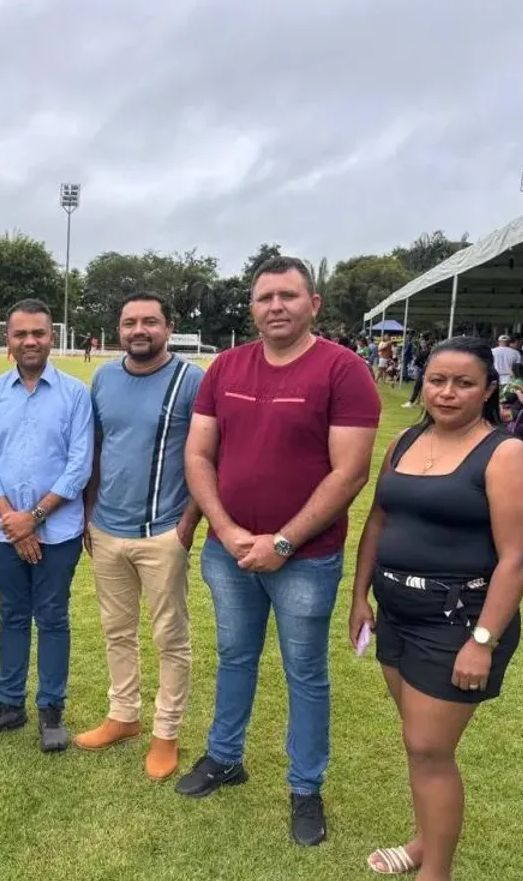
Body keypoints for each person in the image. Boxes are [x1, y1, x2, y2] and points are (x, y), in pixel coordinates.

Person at [179, 256, 380, 846]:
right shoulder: (226, 366)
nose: (276, 307)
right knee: (235, 657)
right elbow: (198, 456)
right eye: (265, 297)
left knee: (305, 673)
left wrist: (284, 541)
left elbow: (351, 472)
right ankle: (224, 757)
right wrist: (228, 529)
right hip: (228, 550)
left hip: (306, 558)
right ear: (252, 307)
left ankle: (305, 787)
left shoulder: (344, 370)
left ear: (313, 304)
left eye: (288, 296)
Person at [349, 336, 523, 879]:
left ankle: (436, 872)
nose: (448, 392)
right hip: (396, 611)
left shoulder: (506, 455)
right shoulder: (406, 441)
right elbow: (379, 521)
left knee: (429, 747)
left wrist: (482, 641)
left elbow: (516, 560)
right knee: (418, 744)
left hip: (458, 621)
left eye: (464, 383)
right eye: (438, 380)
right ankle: (423, 842)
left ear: (487, 390)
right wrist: (359, 595)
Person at [75, 292, 203, 781]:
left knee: (170, 637)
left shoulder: (192, 381)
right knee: (116, 631)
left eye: (150, 321)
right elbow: (99, 447)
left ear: (168, 327)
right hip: (106, 529)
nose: (139, 330)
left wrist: (187, 524)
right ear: (119, 329)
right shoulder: (104, 377)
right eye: (130, 322)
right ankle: (123, 717)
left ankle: (165, 734)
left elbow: (208, 454)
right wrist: (89, 513)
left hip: (163, 532)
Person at [0, 299, 93, 752]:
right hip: (4, 529)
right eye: (20, 334)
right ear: (9, 340)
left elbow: (79, 465)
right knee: (13, 614)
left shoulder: (76, 394)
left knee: (53, 616)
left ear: (52, 337)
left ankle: (51, 709)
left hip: (57, 531)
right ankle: (9, 703)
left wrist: (34, 518)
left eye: (38, 333)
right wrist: (12, 521)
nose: (30, 341)